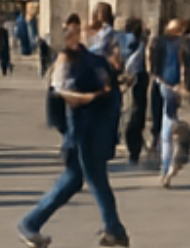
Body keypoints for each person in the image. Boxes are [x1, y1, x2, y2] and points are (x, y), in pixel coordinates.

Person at [18, 12, 128, 248]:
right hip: (81, 132)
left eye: (79, 30)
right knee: (96, 179)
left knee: (73, 180)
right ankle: (114, 229)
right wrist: (90, 96)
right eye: (71, 32)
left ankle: (30, 223)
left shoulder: (93, 59)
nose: (77, 35)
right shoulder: (64, 62)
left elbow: (109, 81)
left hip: (95, 128)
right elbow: (63, 94)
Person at [151, 17, 190, 185]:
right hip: (182, 87)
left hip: (164, 84)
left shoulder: (159, 42)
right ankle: (174, 159)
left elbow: (153, 65)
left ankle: (165, 166)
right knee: (174, 122)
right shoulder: (189, 44)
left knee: (167, 121)